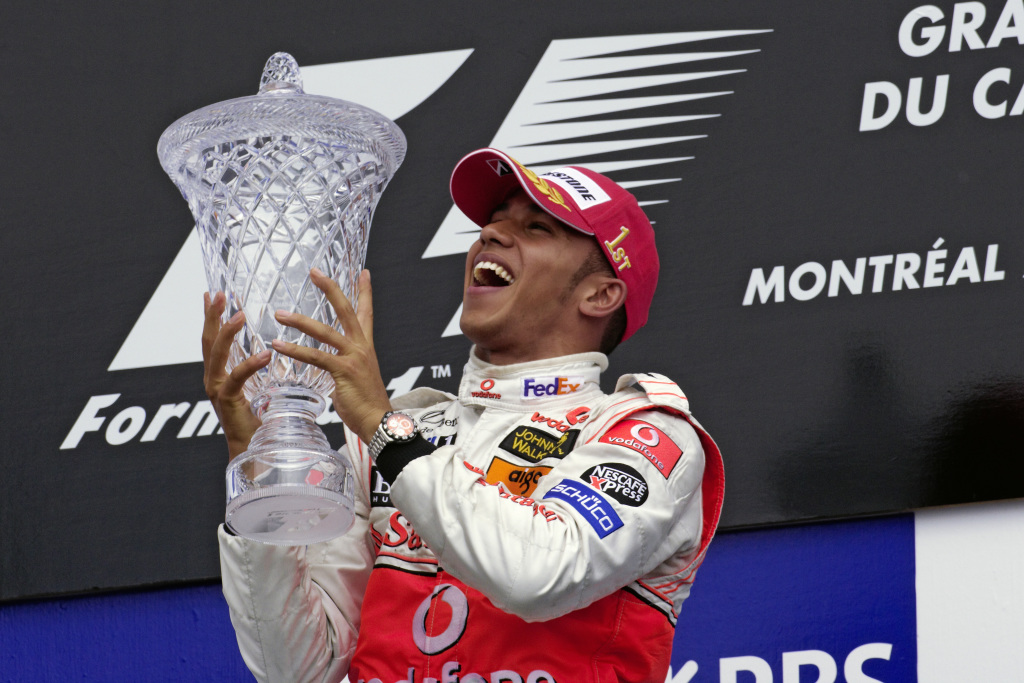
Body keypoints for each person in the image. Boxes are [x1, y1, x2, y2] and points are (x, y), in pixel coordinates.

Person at [203, 148, 724, 683]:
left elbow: (538, 575)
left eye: (536, 227)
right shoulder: (398, 436)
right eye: (493, 222)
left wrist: (387, 434)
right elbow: (299, 670)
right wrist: (258, 469)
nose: (490, 236)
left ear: (600, 293)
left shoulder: (647, 434)